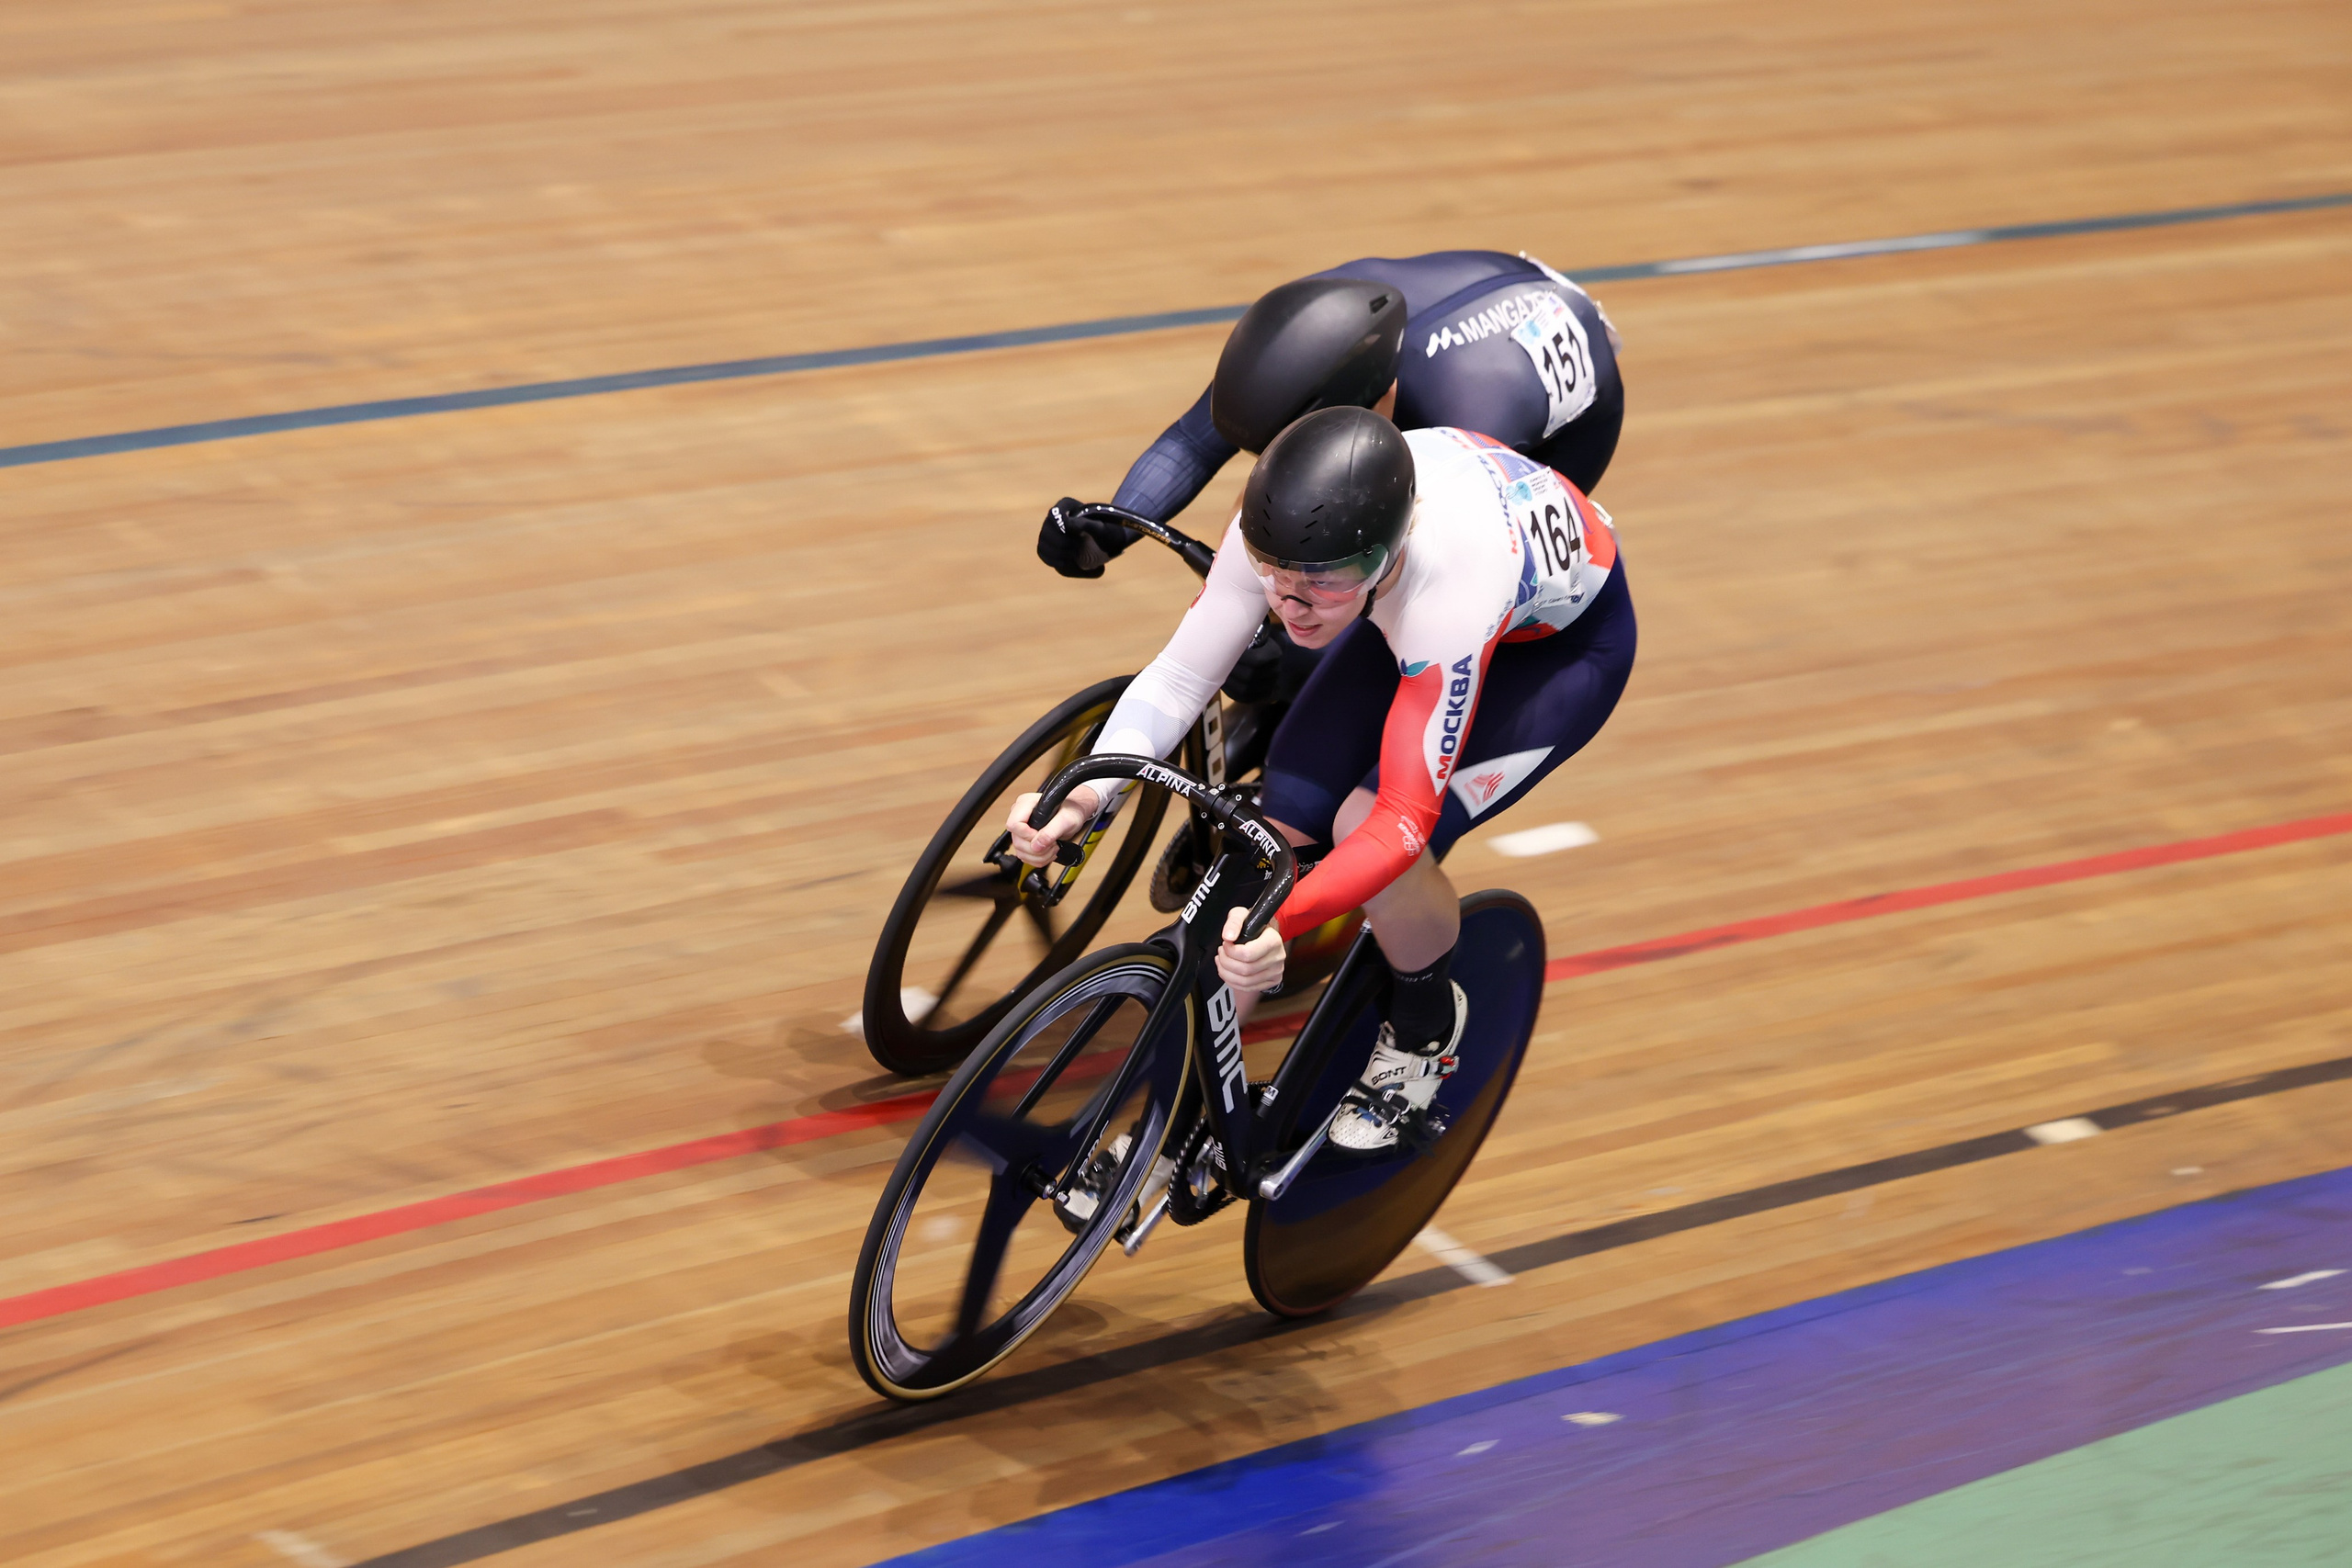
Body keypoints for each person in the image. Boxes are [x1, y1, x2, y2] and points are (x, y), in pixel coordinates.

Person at [1007, 406, 1636, 1150]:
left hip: (1560, 653)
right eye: (1274, 574)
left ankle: (1427, 1027)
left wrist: (1288, 917)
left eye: (1325, 581)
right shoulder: (1278, 534)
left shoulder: (1447, 590)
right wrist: (1084, 795)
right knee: (1281, 818)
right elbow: (1179, 678)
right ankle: (1179, 1109)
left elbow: (1401, 821)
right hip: (1405, 595)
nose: (1292, 602)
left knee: (1360, 820)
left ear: (1384, 551)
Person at [1035, 249, 1623, 590]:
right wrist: (1109, 530)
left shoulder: (1464, 422)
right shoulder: (1309, 337)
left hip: (1563, 426)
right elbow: (1193, 442)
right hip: (1472, 307)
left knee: (1400, 588)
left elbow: (1400, 564)